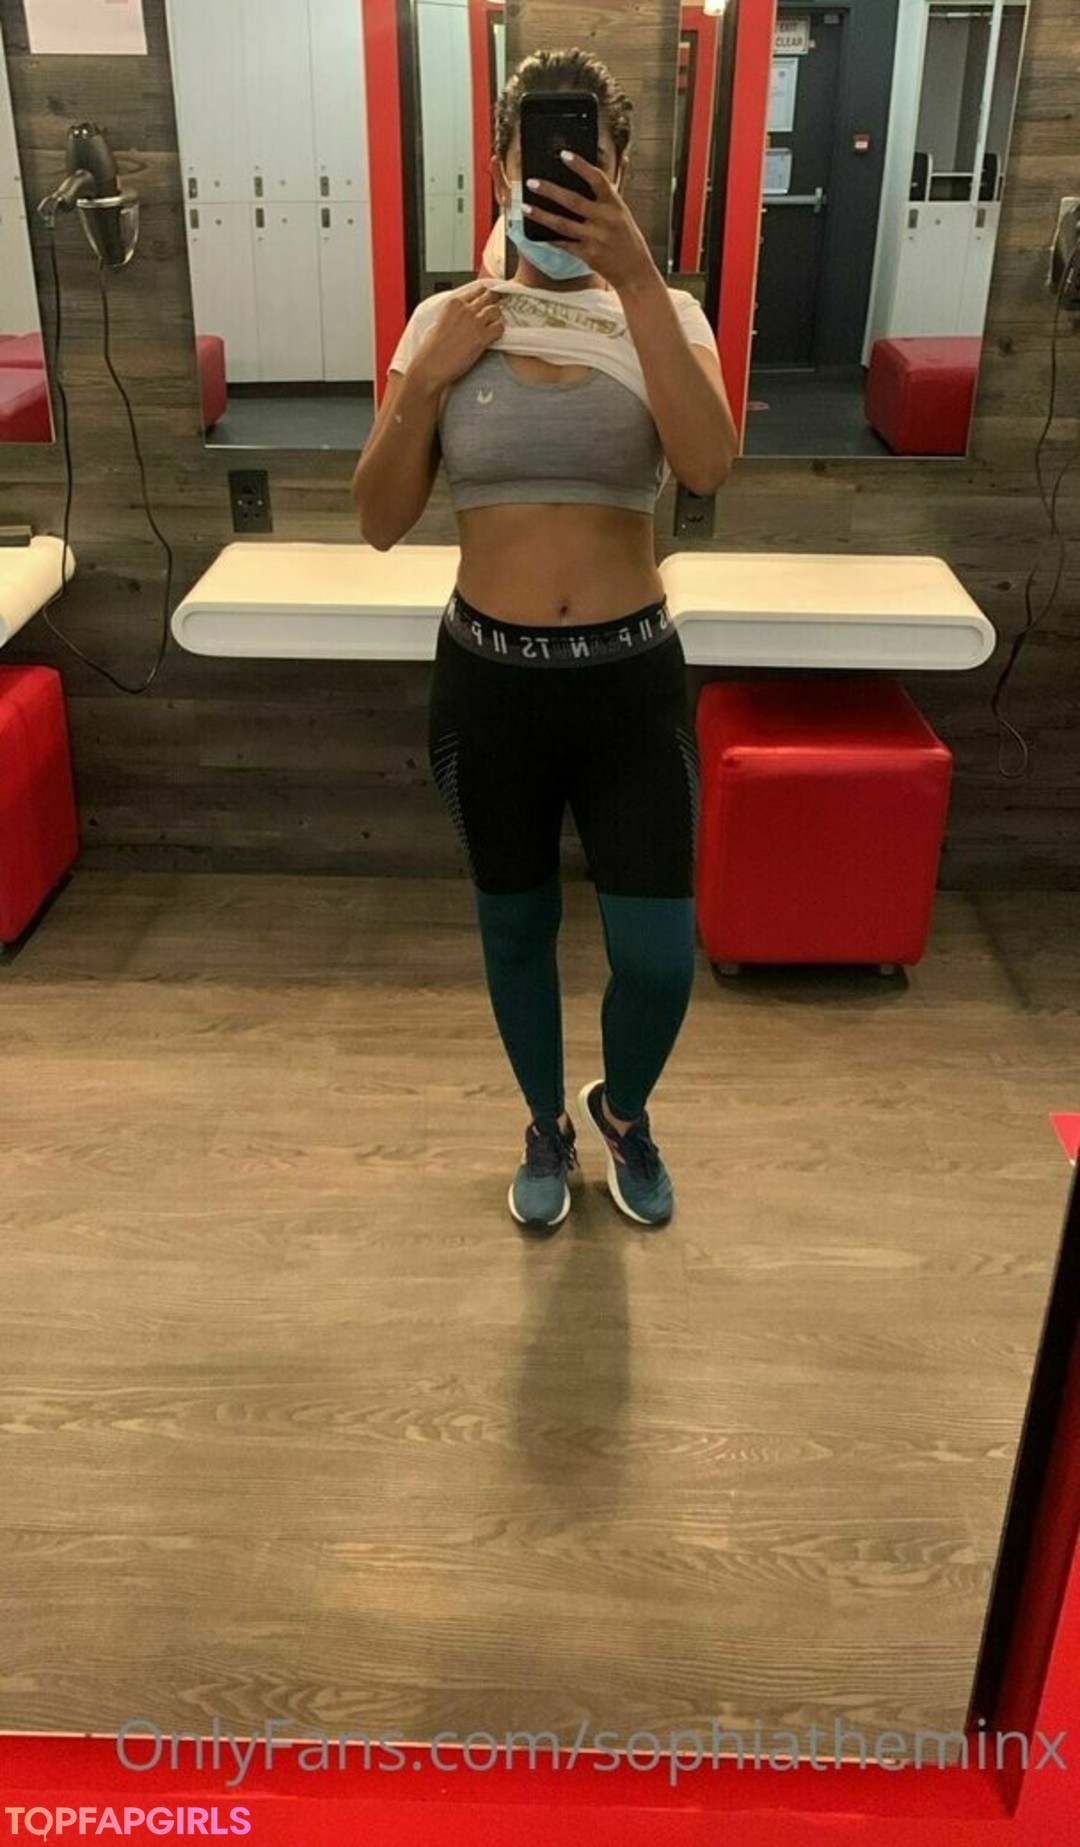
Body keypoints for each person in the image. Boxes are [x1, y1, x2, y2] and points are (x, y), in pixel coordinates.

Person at [352, 47, 737, 1234]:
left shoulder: (664, 314)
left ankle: (622, 1107)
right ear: (500, 174)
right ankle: (543, 1122)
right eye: (540, 161)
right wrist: (426, 383)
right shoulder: (445, 322)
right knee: (514, 927)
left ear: (620, 173)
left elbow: (708, 465)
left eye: (590, 161)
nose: (564, 180)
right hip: (491, 691)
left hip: (629, 690)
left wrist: (637, 282)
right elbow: (377, 517)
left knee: (659, 957)